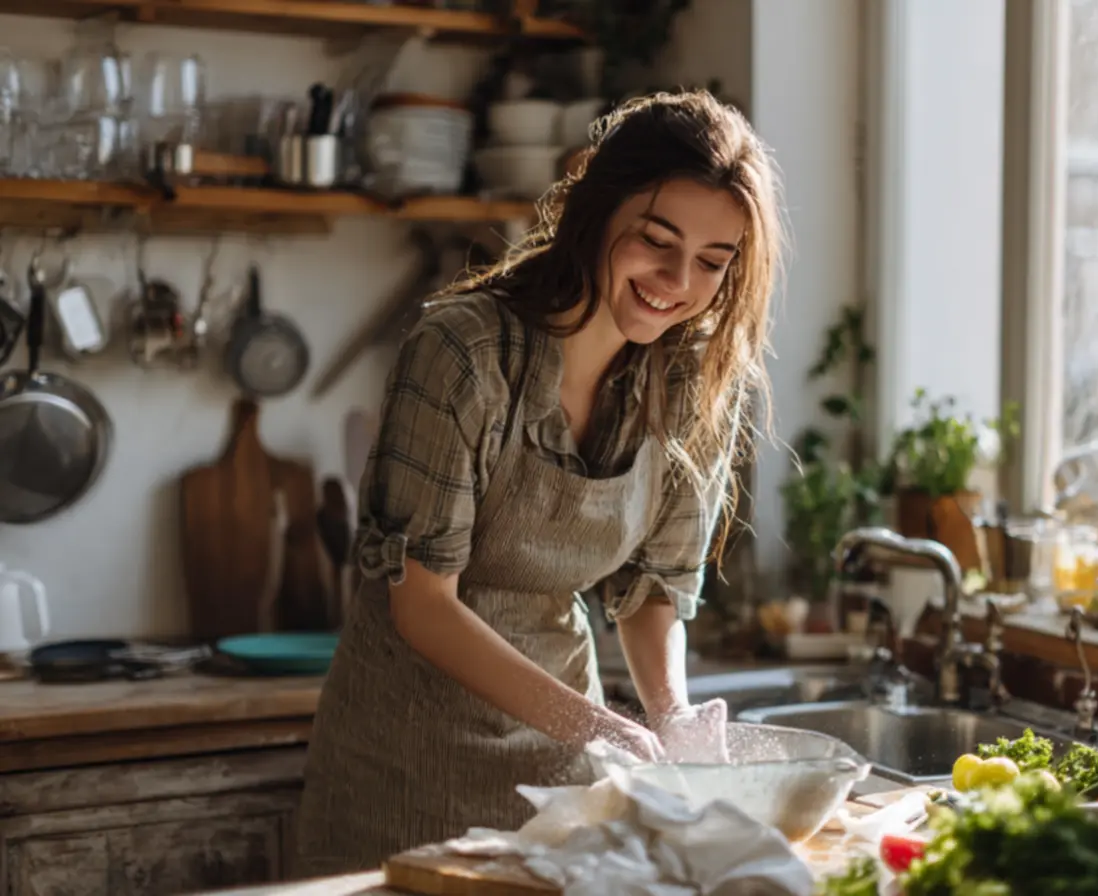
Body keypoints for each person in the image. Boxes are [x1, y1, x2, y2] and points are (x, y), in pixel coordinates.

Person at [294, 89, 783, 876]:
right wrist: (607, 732)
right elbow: (423, 607)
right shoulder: (463, 354)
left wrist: (671, 719)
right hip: (403, 764)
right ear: (596, 209)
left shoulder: (693, 381)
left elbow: (654, 589)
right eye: (655, 241)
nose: (676, 281)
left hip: (561, 778)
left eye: (713, 263)